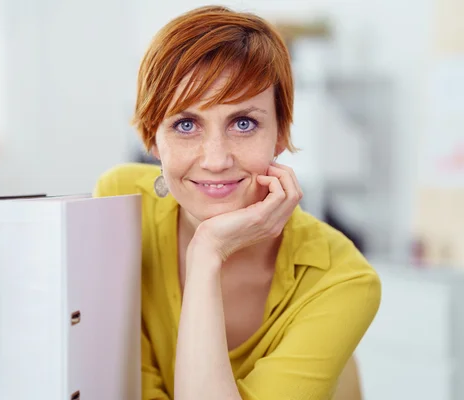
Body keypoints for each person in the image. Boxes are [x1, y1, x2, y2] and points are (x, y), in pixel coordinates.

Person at [93, 5, 381, 400]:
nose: (215, 159)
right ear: (151, 137)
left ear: (280, 132)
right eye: (186, 124)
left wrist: (208, 252)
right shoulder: (122, 204)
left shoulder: (342, 279)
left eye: (243, 123)